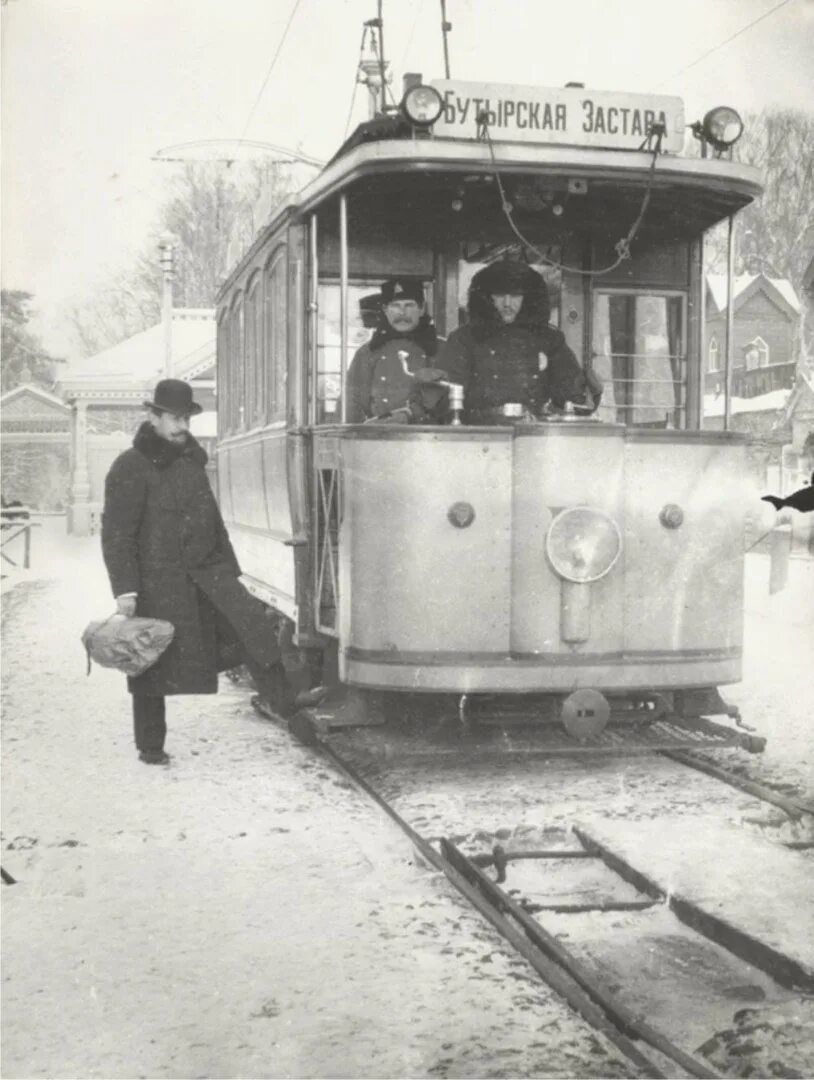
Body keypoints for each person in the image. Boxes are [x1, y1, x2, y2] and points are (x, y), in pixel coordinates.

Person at [101, 379, 295, 765]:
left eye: (186, 418)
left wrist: (229, 569)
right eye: (173, 417)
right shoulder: (129, 466)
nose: (182, 426)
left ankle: (290, 708)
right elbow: (117, 535)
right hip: (159, 581)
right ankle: (150, 745)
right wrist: (126, 591)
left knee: (252, 627)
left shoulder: (191, 461)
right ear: (152, 416)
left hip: (209, 572)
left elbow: (212, 519)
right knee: (150, 658)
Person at [436, 261, 601, 423]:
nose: (507, 303)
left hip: (532, 437)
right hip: (479, 437)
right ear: (486, 297)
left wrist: (589, 391)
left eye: (515, 295)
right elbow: (445, 403)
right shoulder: (464, 339)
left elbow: (572, 402)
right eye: (499, 295)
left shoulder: (549, 340)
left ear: (529, 298)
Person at [345, 278, 442, 423]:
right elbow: (352, 401)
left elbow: (447, 401)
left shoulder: (442, 348)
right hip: (378, 435)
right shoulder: (366, 352)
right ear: (385, 310)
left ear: (421, 309)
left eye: (409, 305)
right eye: (395, 305)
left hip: (426, 437)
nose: (402, 312)